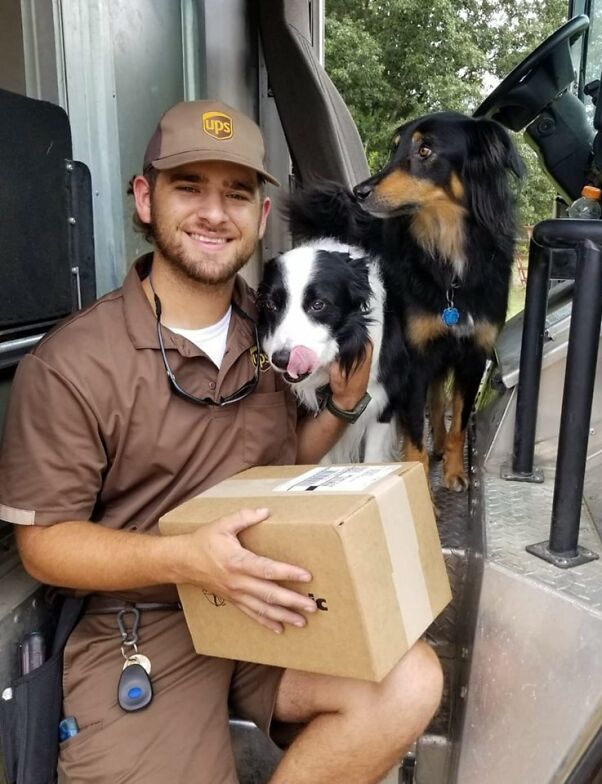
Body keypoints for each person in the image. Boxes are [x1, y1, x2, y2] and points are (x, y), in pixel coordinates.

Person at [0, 100, 443, 784]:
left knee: (410, 682)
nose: (215, 212)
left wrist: (343, 404)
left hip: (259, 602)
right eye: (189, 187)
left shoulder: (271, 324)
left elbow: (285, 464)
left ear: (261, 219)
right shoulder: (71, 363)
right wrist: (190, 560)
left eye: (237, 194)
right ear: (145, 199)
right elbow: (46, 545)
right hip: (142, 624)